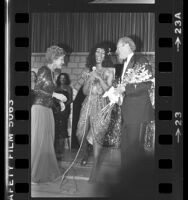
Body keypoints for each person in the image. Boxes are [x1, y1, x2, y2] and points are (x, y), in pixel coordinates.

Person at [76, 43, 114, 182]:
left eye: (103, 53)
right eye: (97, 52)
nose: (99, 55)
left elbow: (107, 91)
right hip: (88, 103)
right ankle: (85, 152)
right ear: (94, 54)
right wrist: (89, 79)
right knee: (80, 133)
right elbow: (85, 91)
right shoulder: (88, 71)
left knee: (98, 136)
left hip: (101, 105)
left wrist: (98, 78)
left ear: (106, 56)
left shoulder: (109, 71)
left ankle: (95, 171)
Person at [115, 36, 154, 168]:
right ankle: (126, 179)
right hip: (127, 113)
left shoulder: (140, 60)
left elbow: (147, 84)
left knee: (135, 152)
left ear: (126, 46)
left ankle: (136, 183)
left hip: (138, 113)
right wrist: (119, 95)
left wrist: (125, 88)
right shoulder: (126, 63)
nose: (116, 51)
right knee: (126, 149)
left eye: (118, 47)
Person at [31, 45, 67, 183]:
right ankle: (34, 174)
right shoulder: (43, 70)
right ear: (54, 58)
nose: (63, 62)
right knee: (39, 143)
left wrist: (58, 102)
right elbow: (37, 90)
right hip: (39, 109)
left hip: (47, 109)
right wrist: (57, 95)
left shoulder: (52, 73)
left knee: (46, 143)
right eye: (62, 59)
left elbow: (48, 94)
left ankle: (43, 173)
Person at [53, 73, 73, 155]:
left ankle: (60, 150)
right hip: (55, 110)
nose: (62, 79)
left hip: (64, 110)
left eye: (64, 78)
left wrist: (63, 105)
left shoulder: (68, 88)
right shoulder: (55, 87)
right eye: (61, 78)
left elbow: (70, 100)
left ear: (66, 79)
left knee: (62, 128)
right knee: (56, 128)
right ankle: (55, 149)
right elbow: (52, 98)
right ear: (58, 79)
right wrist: (57, 105)